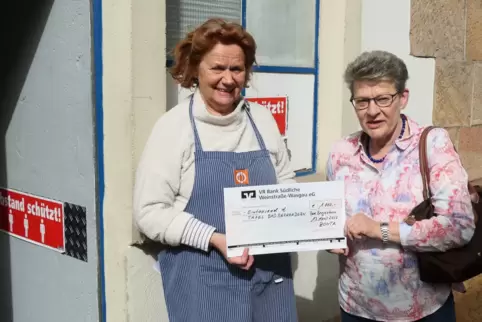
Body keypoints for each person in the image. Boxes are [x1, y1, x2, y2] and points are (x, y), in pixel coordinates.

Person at [133, 18, 298, 322]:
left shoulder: (262, 121)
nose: (228, 78)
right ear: (196, 69)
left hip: (268, 279)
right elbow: (149, 212)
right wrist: (216, 238)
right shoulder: (174, 127)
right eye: (217, 68)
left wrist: (319, 227)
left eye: (236, 69)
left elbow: (286, 184)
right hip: (203, 284)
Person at [326, 50, 475, 322]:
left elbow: (458, 226)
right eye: (362, 101)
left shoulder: (432, 144)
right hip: (356, 306)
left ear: (402, 98)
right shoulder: (340, 152)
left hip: (421, 308)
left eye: (383, 99)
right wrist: (329, 236)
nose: (372, 111)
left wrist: (379, 229)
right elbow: (330, 218)